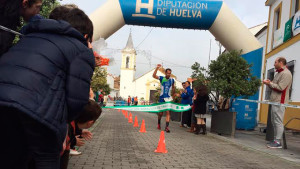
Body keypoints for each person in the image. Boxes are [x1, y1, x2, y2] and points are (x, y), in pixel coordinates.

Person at [0, 7, 95, 169]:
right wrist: (61, 121)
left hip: (3, 103)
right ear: (85, 36)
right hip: (38, 113)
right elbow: (77, 101)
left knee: (12, 158)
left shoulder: (29, 37)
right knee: (47, 157)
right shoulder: (81, 50)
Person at [60, 100, 102, 169]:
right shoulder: (66, 130)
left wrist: (79, 133)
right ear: (90, 123)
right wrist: (73, 141)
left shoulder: (68, 119)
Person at [263, 57, 292, 148]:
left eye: (275, 62)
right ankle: (276, 140)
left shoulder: (286, 74)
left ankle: (278, 142)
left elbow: (281, 88)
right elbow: (275, 87)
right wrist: (269, 83)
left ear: (281, 62)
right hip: (274, 101)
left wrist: (269, 83)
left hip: (280, 101)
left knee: (278, 122)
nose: (274, 64)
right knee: (274, 121)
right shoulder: (279, 73)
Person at [152, 64, 175, 133]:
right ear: (165, 73)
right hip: (162, 98)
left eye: (170, 73)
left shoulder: (172, 80)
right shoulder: (162, 78)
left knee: (168, 112)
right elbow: (154, 76)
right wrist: (157, 68)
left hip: (168, 99)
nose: (169, 74)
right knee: (161, 113)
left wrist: (173, 96)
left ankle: (166, 127)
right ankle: (159, 123)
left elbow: (173, 88)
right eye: (168, 73)